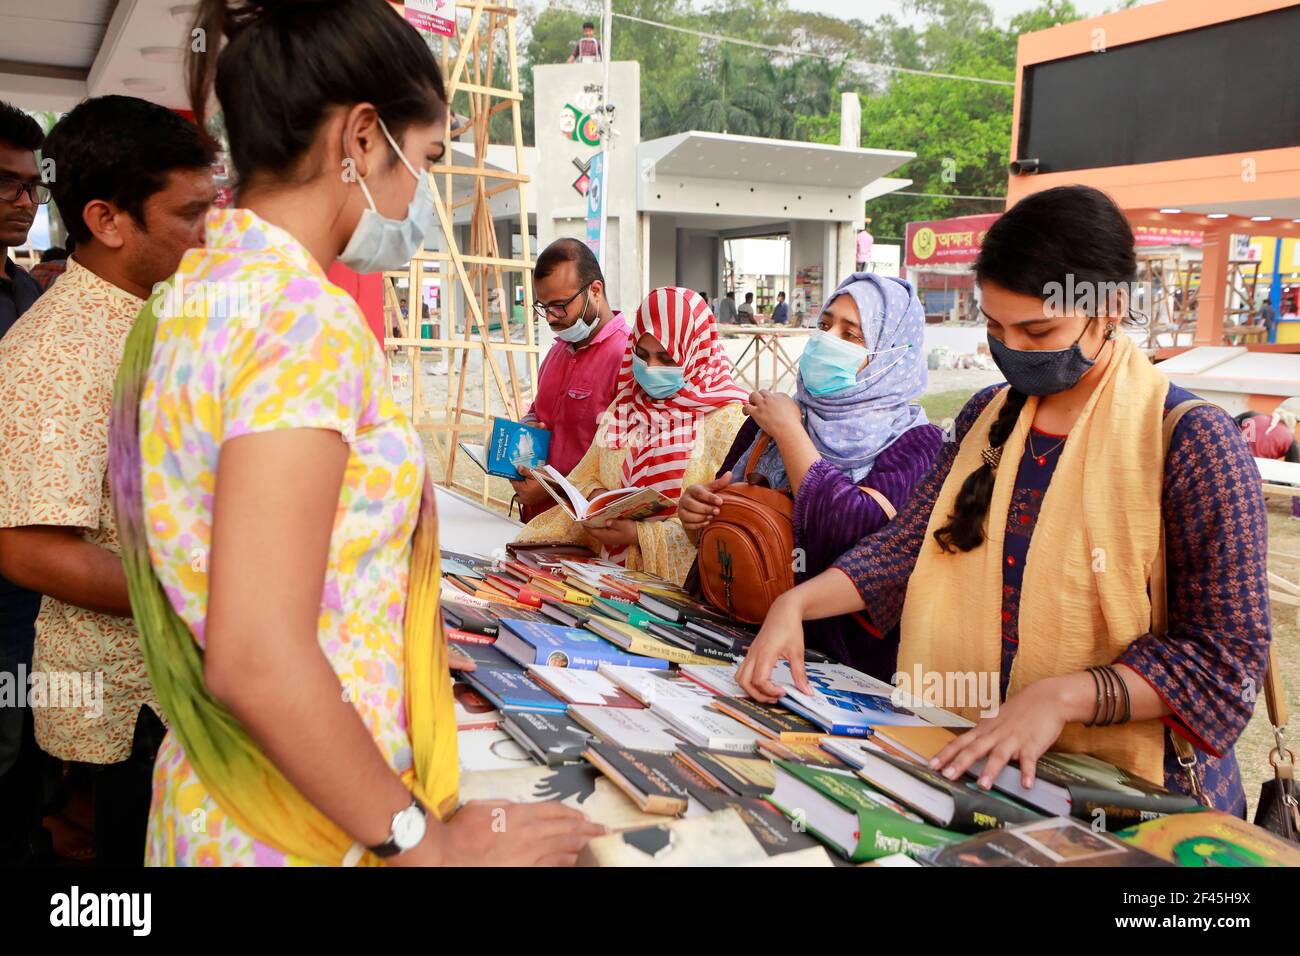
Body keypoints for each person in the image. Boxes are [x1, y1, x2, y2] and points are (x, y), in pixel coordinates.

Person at [109, 0, 601, 867]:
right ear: (363, 139)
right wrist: (429, 844)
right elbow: (257, 655)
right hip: (301, 823)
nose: (421, 195)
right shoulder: (299, 321)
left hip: (224, 796)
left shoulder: (188, 300)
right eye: (427, 159)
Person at [738, 186, 1270, 814]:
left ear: (1110, 308)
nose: (1013, 348)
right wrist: (797, 603)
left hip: (1136, 802)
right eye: (995, 327)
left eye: (1037, 329)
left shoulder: (1189, 441)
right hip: (976, 766)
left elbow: (1225, 658)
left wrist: (1065, 697)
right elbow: (907, 549)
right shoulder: (985, 419)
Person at [0, 96, 218, 867]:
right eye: (190, 213)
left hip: (174, 680)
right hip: (128, 702)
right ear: (108, 218)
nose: (209, 230)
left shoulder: (153, 314)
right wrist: (211, 594)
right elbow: (29, 551)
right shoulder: (56, 354)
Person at [679, 273, 942, 678]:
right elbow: (729, 514)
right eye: (824, 325)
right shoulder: (771, 415)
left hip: (836, 663)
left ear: (892, 354)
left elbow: (856, 530)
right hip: (732, 628)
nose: (826, 339)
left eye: (850, 335)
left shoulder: (917, 442)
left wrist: (790, 433)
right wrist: (697, 515)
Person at [513, 287, 748, 583]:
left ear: (696, 352)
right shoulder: (624, 406)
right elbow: (588, 474)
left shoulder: (729, 421)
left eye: (666, 357)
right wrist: (596, 498)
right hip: (605, 580)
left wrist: (638, 534)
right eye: (642, 353)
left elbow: (727, 534)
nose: (651, 368)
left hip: (677, 602)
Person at [0, 99, 49, 867]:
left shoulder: (30, 297)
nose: (23, 201)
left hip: (25, 593)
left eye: (30, 186)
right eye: (4, 184)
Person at [508, 238, 628, 522]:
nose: (550, 317)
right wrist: (524, 429)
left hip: (586, 533)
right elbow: (539, 411)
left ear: (595, 291)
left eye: (560, 306)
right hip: (535, 523)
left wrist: (553, 491)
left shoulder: (627, 358)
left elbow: (622, 464)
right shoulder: (557, 351)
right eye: (544, 307)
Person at [1237, 408, 1300, 519]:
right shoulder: (1291, 440)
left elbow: (1228, 425)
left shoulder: (1252, 415)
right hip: (1257, 486)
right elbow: (1293, 474)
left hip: (1232, 468)